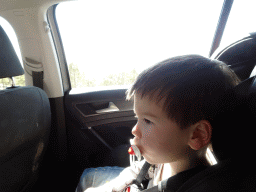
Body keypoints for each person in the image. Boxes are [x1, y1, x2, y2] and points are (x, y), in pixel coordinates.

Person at [76, 55, 240, 192]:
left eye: (147, 120)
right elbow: (142, 169)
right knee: (87, 176)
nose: (135, 130)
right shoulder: (165, 156)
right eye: (137, 118)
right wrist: (116, 185)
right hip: (136, 182)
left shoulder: (193, 186)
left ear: (197, 134)